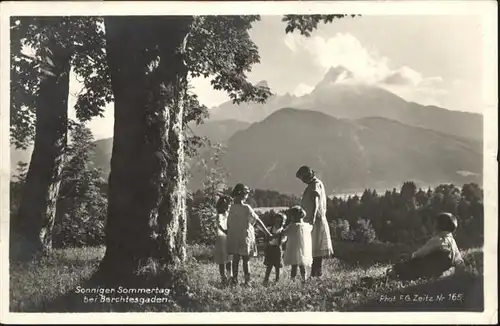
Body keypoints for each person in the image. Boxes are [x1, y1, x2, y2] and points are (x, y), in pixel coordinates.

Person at [387, 212, 465, 280]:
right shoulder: (452, 241)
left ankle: (394, 271)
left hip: (427, 269)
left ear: (439, 226)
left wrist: (412, 256)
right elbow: (458, 260)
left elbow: (421, 253)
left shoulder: (438, 239)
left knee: (407, 265)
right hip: (440, 269)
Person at [226, 183, 272, 286]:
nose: (247, 196)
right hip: (244, 236)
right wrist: (267, 232)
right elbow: (257, 220)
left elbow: (228, 224)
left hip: (234, 236)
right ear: (242, 194)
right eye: (246, 194)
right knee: (246, 260)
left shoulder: (231, 208)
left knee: (235, 260)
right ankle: (247, 281)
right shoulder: (246, 208)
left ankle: (235, 280)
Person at [296, 165, 333, 277]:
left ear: (307, 176)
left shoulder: (315, 185)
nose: (302, 181)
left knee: (316, 247)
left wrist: (312, 217)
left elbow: (316, 200)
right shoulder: (313, 184)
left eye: (303, 178)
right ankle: (315, 273)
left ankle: (316, 273)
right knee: (314, 247)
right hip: (312, 220)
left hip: (315, 220)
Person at [280, 205, 313, 283]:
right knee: (302, 265)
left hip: (294, 248)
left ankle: (293, 279)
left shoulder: (292, 226)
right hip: (303, 249)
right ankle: (304, 278)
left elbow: (285, 233)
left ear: (293, 216)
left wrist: (281, 229)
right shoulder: (306, 225)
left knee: (294, 265)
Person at [263, 212, 288, 286]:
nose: (278, 223)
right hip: (270, 249)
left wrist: (278, 237)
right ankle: (266, 279)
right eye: (277, 221)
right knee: (269, 265)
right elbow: (266, 238)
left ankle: (277, 279)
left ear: (283, 222)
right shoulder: (270, 229)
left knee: (277, 266)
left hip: (278, 249)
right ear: (275, 220)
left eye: (281, 221)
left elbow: (284, 240)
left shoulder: (283, 231)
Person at [213, 195, 233, 284]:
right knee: (222, 259)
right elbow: (219, 225)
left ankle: (230, 276)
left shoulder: (228, 214)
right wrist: (225, 231)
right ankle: (223, 277)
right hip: (222, 238)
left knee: (229, 259)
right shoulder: (219, 215)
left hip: (228, 237)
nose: (226, 206)